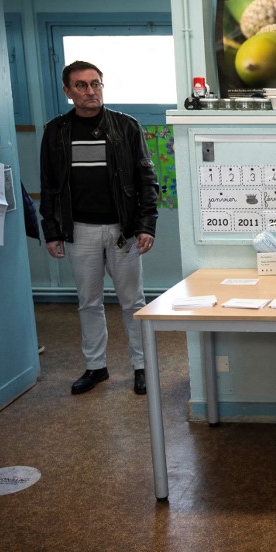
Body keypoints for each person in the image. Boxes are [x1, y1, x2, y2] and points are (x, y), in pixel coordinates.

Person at [39, 61, 158, 396]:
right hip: (80, 231)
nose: (90, 91)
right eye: (81, 85)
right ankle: (96, 367)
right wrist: (52, 230)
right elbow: (49, 185)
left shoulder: (126, 127)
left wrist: (146, 224)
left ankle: (142, 367)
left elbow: (147, 180)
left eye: (95, 84)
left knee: (133, 302)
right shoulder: (56, 131)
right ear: (67, 91)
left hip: (124, 230)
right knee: (88, 302)